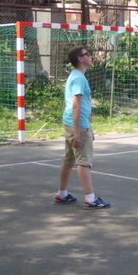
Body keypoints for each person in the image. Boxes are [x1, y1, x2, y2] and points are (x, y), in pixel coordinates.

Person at [54, 46, 110, 209]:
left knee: (68, 160)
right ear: (80, 59)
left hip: (71, 123)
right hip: (77, 125)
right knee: (84, 162)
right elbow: (76, 105)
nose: (90, 56)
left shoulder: (75, 75)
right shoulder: (79, 78)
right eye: (87, 54)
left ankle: (62, 194)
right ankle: (90, 199)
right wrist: (79, 133)